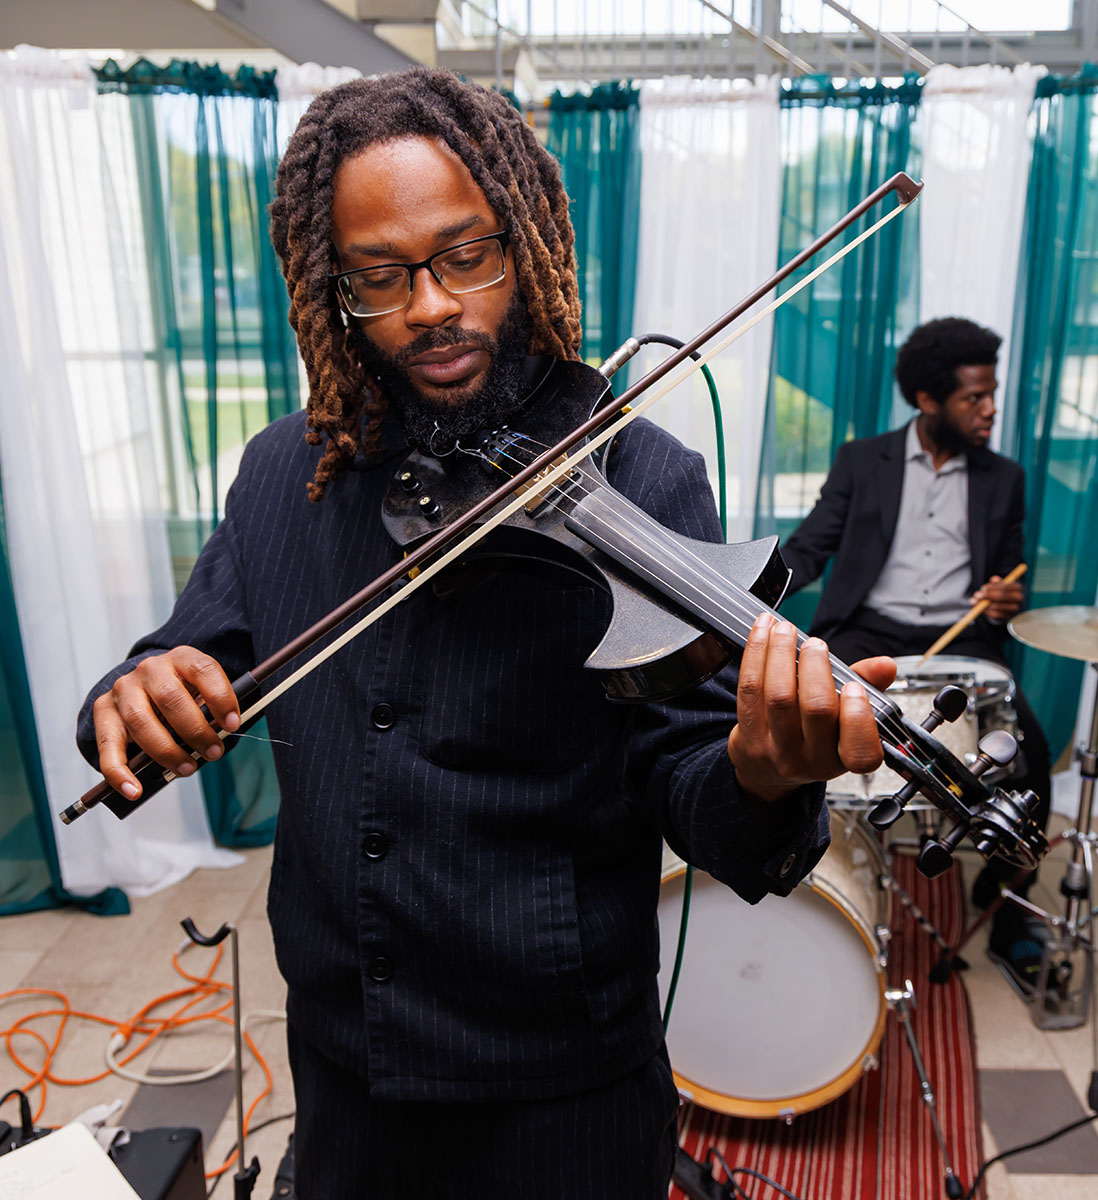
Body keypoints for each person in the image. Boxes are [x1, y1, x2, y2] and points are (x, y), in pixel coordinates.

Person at [75, 70, 895, 1198]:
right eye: (380, 277)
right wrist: (135, 689)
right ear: (335, 291)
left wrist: (762, 769)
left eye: (467, 256)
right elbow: (193, 650)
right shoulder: (285, 475)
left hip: (558, 1086)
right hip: (343, 1061)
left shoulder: (643, 478)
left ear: (528, 241)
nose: (431, 305)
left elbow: (697, 788)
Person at [779, 316, 1053, 982]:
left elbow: (1011, 569)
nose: (990, 410)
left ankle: (1003, 904)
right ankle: (800, 881)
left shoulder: (1004, 478)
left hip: (964, 636)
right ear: (928, 402)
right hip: (870, 628)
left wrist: (1007, 593)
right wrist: (745, 595)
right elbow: (811, 547)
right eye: (974, 398)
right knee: (801, 724)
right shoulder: (860, 461)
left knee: (1032, 758)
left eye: (992, 394)